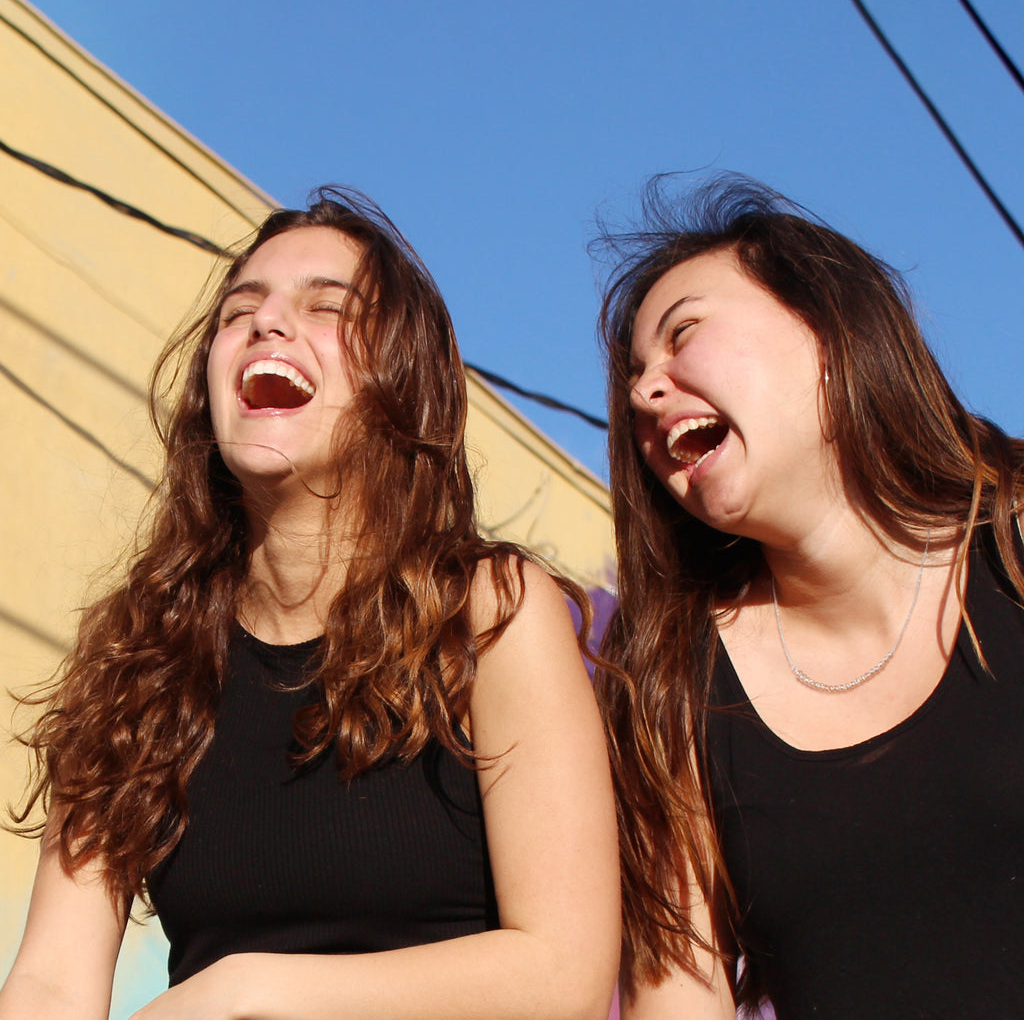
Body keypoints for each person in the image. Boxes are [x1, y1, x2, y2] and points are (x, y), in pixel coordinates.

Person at [0, 188, 619, 1020]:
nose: (267, 323)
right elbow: (49, 982)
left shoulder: (490, 611)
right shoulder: (140, 653)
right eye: (238, 312)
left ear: (402, 380)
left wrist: (244, 991)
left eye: (326, 307)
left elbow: (563, 973)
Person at [594, 174, 1024, 1019]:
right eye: (635, 377)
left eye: (684, 333)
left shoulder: (1014, 541)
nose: (643, 392)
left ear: (827, 325)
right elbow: (676, 995)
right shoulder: (670, 687)